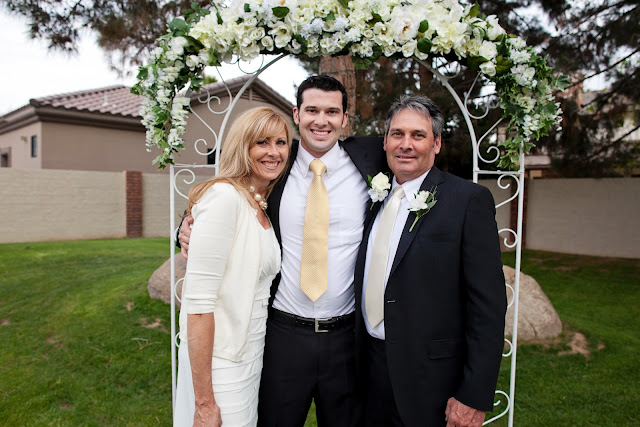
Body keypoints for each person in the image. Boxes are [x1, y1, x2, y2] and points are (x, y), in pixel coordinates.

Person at [179, 75, 388, 426]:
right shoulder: (274, 164)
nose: (321, 120)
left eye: (332, 112)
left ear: (345, 119)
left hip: (346, 338)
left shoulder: (373, 159)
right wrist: (185, 227)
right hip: (283, 336)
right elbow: (227, 195)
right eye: (312, 110)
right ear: (297, 114)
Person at [353, 95, 507, 427]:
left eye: (418, 135)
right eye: (397, 134)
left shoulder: (468, 201)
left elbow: (488, 307)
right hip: (369, 373)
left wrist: (473, 394)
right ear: (385, 141)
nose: (406, 144)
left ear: (436, 144)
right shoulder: (373, 199)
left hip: (432, 382)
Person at [173, 106, 292, 427]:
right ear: (243, 146)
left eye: (281, 142)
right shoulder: (224, 197)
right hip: (220, 361)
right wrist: (204, 403)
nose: (274, 152)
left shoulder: (259, 202)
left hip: (250, 353)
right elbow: (198, 305)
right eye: (262, 142)